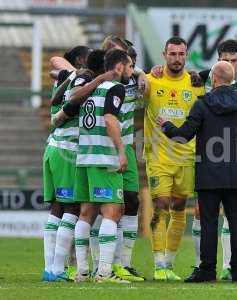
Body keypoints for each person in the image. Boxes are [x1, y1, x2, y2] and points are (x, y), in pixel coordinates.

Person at [158, 61, 237, 283]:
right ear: (231, 80)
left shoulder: (202, 105)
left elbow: (183, 136)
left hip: (208, 174)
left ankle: (208, 270)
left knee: (209, 223)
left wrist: (166, 125)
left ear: (213, 78)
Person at [144, 36, 205, 281]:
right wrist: (142, 72)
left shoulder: (196, 83)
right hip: (158, 156)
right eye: (172, 54)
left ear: (186, 55)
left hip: (187, 157)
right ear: (164, 54)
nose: (177, 58)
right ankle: (159, 263)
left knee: (179, 208)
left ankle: (169, 263)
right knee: (161, 205)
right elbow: (130, 77)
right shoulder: (151, 80)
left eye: (181, 54)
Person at [72, 49, 133, 283]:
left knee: (86, 213)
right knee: (112, 212)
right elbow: (109, 119)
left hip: (84, 158)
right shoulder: (113, 87)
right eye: (128, 66)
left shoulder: (90, 89)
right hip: (103, 158)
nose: (130, 71)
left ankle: (82, 271)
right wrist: (120, 151)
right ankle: (105, 273)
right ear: (118, 67)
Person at [42, 45, 91, 282]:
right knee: (71, 207)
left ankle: (50, 268)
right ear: (81, 59)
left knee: (57, 209)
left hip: (54, 147)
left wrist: (72, 72)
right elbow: (55, 59)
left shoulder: (67, 78)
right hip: (66, 151)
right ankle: (57, 269)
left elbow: (58, 65)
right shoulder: (79, 81)